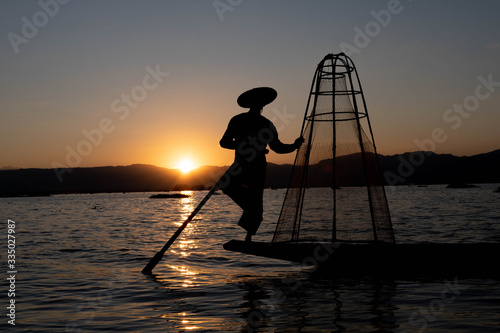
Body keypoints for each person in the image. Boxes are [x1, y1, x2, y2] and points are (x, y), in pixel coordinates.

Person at [220, 87, 304, 242]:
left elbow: (277, 147)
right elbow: (224, 143)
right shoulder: (239, 120)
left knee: (254, 198)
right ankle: (252, 213)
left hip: (256, 167)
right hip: (241, 164)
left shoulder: (265, 124)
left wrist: (294, 145)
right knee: (229, 187)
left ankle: (249, 236)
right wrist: (241, 145)